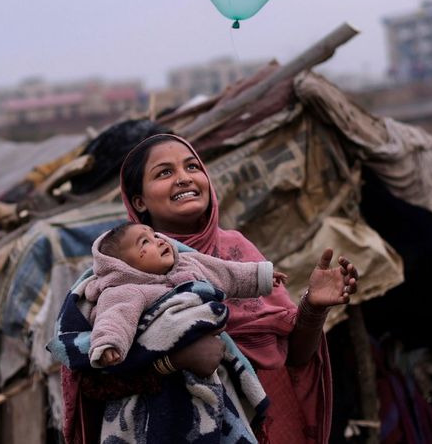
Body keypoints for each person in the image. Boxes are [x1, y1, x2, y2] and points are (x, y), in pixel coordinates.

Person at [63, 133, 358, 443]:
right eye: (165, 172)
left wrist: (313, 308)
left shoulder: (239, 252)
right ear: (139, 201)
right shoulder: (121, 276)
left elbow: (294, 356)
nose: (184, 178)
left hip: (274, 418)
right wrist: (174, 361)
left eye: (192, 167)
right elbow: (93, 381)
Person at [88, 221, 287, 367]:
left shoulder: (188, 263)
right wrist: (109, 344)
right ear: (122, 267)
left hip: (217, 361)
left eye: (155, 235)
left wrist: (260, 276)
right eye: (144, 243)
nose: (158, 241)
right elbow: (114, 317)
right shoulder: (127, 291)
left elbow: (227, 273)